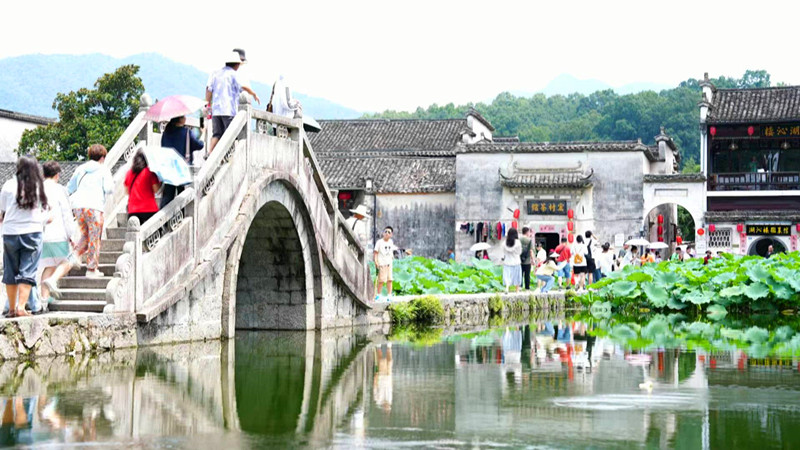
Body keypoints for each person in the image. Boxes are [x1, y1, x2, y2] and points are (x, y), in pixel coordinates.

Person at [1, 156, 49, 317]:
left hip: (10, 232)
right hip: (32, 232)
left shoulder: (8, 185)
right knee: (27, 270)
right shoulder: (38, 186)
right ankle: (22, 307)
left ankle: (12, 309)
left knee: (10, 271)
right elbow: (45, 210)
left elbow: (2, 211)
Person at [67, 144, 114, 278]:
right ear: (103, 157)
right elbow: (109, 189)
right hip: (94, 207)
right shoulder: (103, 170)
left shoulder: (80, 169)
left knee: (85, 236)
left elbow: (70, 187)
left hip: (78, 207)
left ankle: (73, 256)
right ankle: (91, 269)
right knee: (94, 238)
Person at [206, 52, 260, 153]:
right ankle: (228, 155)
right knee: (230, 134)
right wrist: (253, 94)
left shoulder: (215, 73)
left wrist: (208, 104)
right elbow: (242, 87)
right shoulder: (234, 75)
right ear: (236, 64)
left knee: (216, 134)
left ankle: (210, 154)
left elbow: (209, 89)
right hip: (228, 110)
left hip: (216, 110)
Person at [39, 162, 77, 303]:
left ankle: (44, 300)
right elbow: (67, 214)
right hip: (58, 233)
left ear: (43, 174)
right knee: (68, 262)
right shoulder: (59, 190)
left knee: (49, 265)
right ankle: (53, 280)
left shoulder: (37, 189)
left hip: (42, 235)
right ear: (57, 175)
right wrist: (71, 235)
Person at [160, 115, 204, 208]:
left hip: (169, 168)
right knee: (182, 195)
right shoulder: (187, 132)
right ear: (180, 119)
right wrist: (203, 134)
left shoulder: (166, 133)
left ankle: (163, 220)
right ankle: (181, 217)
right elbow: (199, 145)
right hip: (182, 169)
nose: (185, 118)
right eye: (183, 116)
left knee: (167, 196)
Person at [124, 150, 161, 225]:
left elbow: (127, 192)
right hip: (149, 209)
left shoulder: (129, 173)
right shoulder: (150, 172)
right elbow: (156, 190)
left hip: (133, 211)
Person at [374, 226, 395, 300]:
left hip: (389, 263)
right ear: (383, 233)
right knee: (381, 280)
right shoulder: (379, 242)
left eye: (389, 232)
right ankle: (378, 295)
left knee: (390, 279)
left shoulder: (391, 242)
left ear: (391, 234)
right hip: (382, 263)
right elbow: (376, 252)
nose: (387, 233)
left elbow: (392, 251)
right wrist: (376, 261)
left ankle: (389, 295)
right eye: (385, 231)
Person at [502, 228, 522, 292]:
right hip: (516, 261)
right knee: (517, 276)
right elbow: (519, 252)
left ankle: (507, 287)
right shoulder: (518, 242)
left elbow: (504, 252)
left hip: (507, 261)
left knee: (507, 276)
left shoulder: (504, 243)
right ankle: (517, 290)